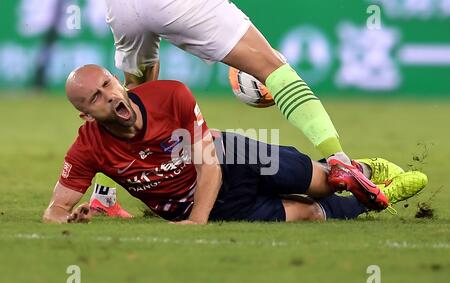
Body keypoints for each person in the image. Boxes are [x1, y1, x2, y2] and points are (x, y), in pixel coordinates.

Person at [87, 0, 390, 218]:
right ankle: (339, 161)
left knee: (133, 98)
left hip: (122, 7)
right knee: (274, 69)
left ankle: (107, 196)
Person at [42, 65, 427, 224]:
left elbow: (209, 163)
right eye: (94, 98)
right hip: (204, 204)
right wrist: (69, 219)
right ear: (87, 116)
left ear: (119, 82)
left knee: (326, 182)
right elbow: (55, 210)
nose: (108, 96)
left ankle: (358, 170)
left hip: (231, 158)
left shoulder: (170, 96)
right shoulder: (88, 147)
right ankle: (375, 198)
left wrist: (197, 224)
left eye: (108, 84)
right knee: (309, 215)